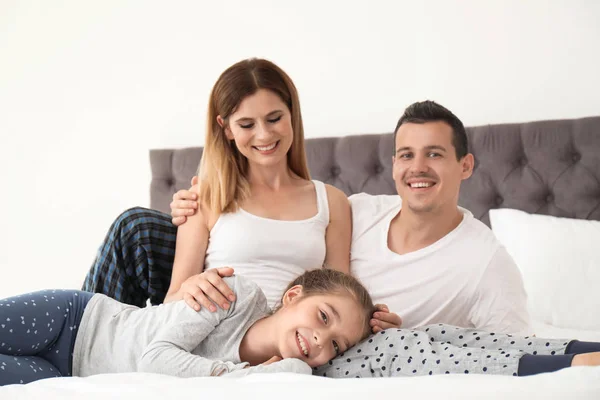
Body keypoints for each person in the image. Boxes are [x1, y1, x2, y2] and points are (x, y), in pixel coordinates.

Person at [82, 57, 400, 330]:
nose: (264, 135)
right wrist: (190, 288)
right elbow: (173, 299)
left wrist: (370, 319)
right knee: (132, 227)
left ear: (292, 114)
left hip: (291, 341)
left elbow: (340, 294)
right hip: (213, 332)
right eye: (247, 124)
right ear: (227, 129)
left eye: (274, 118)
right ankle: (80, 339)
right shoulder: (206, 197)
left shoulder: (331, 202)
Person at [167, 101, 530, 335]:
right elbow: (276, 224)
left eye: (434, 154)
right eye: (406, 155)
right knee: (136, 227)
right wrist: (189, 204)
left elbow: (512, 355)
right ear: (393, 164)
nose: (417, 168)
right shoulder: (355, 211)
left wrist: (393, 334)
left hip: (343, 349)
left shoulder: (488, 264)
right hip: (214, 298)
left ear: (465, 166)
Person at [0, 269, 375, 386]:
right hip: (80, 322)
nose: (319, 340)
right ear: (293, 296)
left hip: (70, 374)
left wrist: (284, 369)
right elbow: (154, 360)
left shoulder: (284, 375)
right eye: (323, 317)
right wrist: (237, 374)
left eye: (337, 346)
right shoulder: (237, 294)